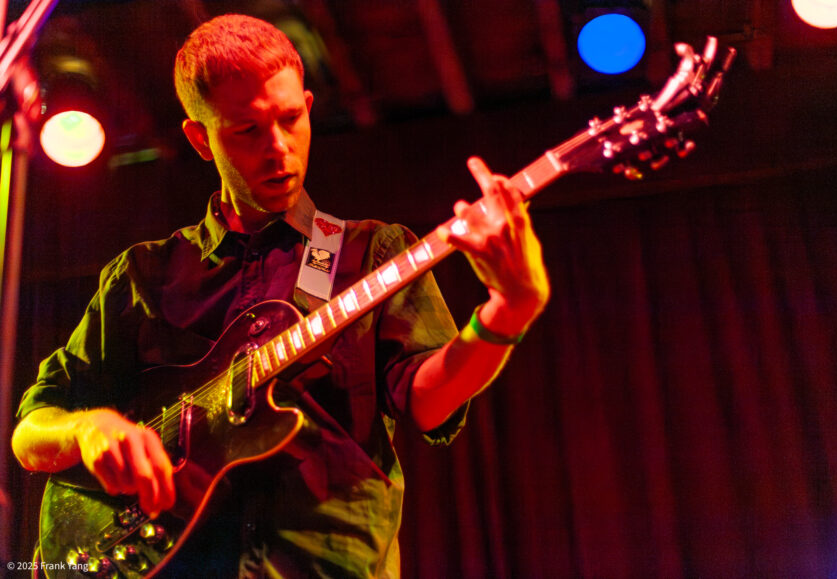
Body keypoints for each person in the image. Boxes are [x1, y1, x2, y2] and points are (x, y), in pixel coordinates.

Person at [11, 13, 549, 577]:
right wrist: (89, 430)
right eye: (247, 130)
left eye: (291, 120)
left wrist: (506, 312)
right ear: (200, 138)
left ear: (309, 108)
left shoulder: (370, 252)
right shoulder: (144, 274)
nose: (278, 149)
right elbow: (31, 433)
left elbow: (426, 400)